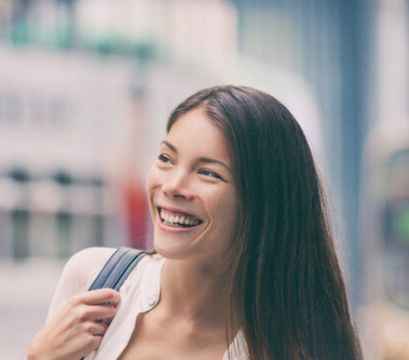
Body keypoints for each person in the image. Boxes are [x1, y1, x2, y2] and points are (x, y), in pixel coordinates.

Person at [27, 85, 362, 360]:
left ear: (263, 201)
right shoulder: (93, 281)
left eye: (208, 173)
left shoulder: (292, 348)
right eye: (166, 158)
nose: (172, 185)